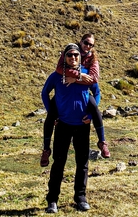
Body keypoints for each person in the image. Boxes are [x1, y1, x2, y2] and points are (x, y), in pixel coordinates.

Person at [41, 44, 100, 213]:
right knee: (58, 163)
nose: (73, 58)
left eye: (76, 55)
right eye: (69, 55)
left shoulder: (87, 75)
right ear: (64, 57)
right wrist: (52, 113)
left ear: (79, 57)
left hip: (82, 127)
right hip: (63, 126)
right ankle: (52, 200)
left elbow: (97, 93)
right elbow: (45, 93)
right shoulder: (56, 76)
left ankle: (80, 198)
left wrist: (90, 115)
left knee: (82, 163)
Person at [40, 33, 110, 167]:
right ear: (80, 41)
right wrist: (78, 75)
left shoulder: (92, 59)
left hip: (83, 91)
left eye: (91, 45)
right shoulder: (71, 50)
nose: (87, 46)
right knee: (51, 115)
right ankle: (46, 149)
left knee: (94, 107)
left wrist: (76, 79)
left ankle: (102, 141)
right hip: (64, 92)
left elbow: (94, 79)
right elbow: (59, 69)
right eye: (86, 43)